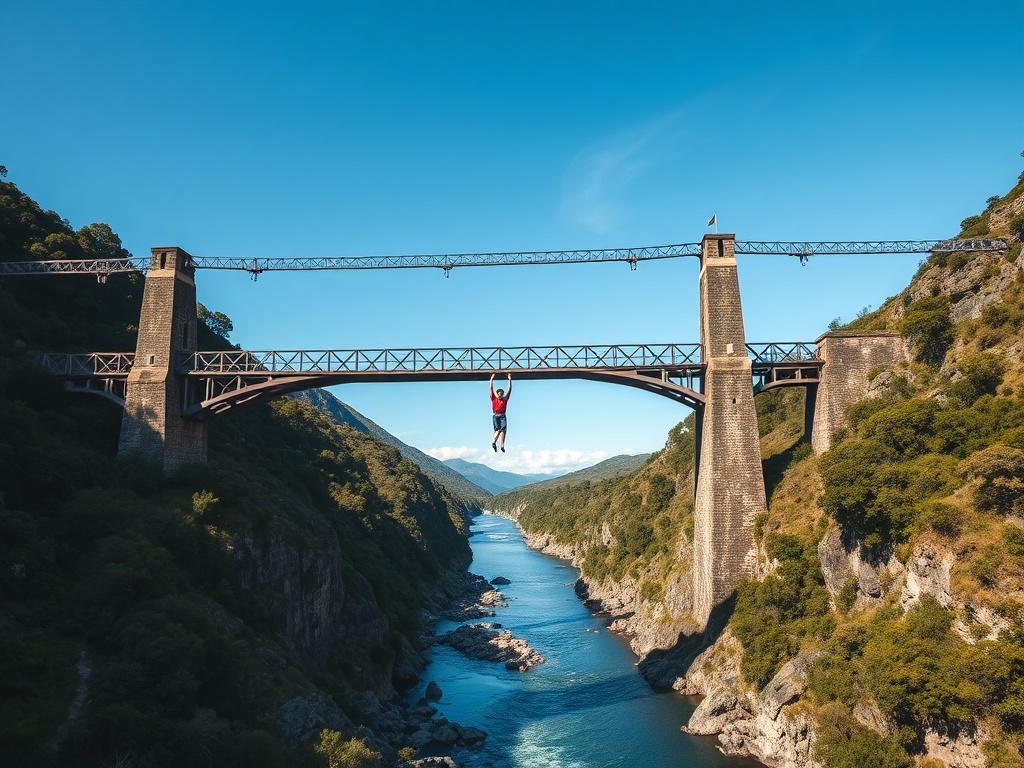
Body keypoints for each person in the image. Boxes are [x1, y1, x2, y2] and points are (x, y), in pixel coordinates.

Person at [489, 372, 512, 452]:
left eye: (501, 394)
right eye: (499, 394)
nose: (500, 395)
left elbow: (509, 390)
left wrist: (510, 380)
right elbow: (491, 388)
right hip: (500, 415)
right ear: (498, 394)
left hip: (497, 415)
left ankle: (495, 442)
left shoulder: (500, 399)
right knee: (502, 430)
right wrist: (491, 379)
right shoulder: (495, 399)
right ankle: (500, 444)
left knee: (498, 430)